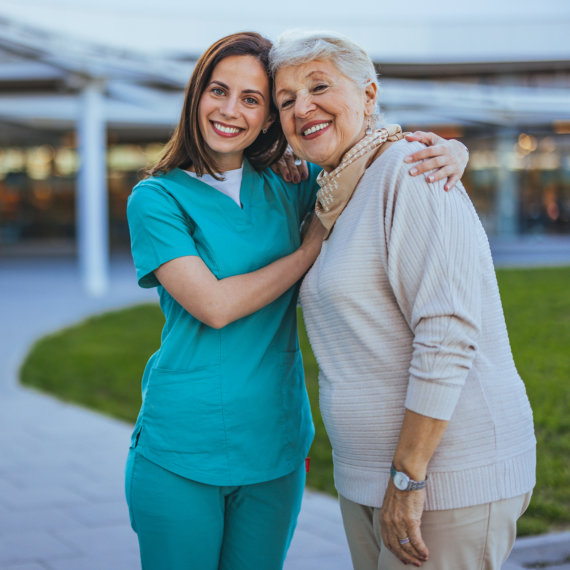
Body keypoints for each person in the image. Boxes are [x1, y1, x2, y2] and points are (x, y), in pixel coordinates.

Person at [124, 31, 468, 570]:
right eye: (218, 90)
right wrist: (311, 245)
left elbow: (369, 153)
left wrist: (450, 150)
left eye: (253, 99)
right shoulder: (156, 198)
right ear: (196, 96)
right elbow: (214, 306)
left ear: (268, 120)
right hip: (180, 445)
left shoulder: (294, 181)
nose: (230, 110)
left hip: (275, 443)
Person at [270, 30, 536, 570]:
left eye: (319, 85)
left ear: (369, 95)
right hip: (367, 478)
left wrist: (407, 477)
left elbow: (448, 334)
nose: (302, 108)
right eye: (286, 100)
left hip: (444, 479)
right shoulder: (331, 194)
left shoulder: (410, 171)